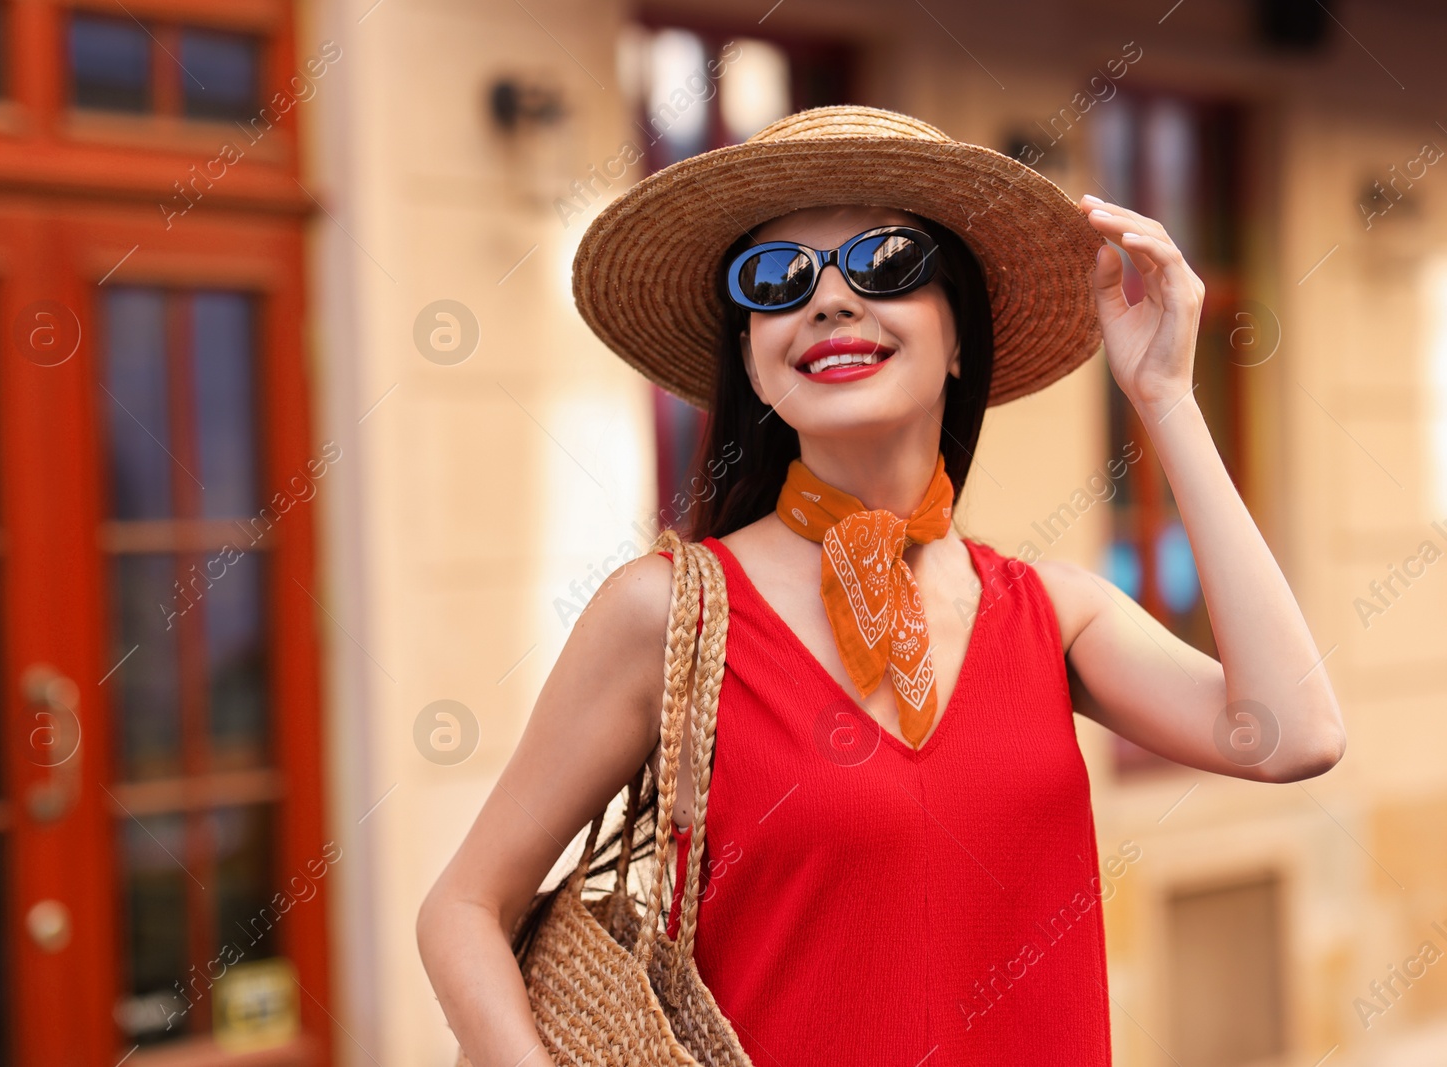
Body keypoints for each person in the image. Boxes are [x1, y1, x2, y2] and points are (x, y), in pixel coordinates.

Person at [416, 105, 1345, 1066]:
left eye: (887, 263)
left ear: (957, 339)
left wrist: (1165, 399)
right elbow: (463, 908)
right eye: (776, 281)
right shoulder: (669, 614)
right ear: (750, 354)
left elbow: (1295, 735)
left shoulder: (1052, 612)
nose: (827, 300)